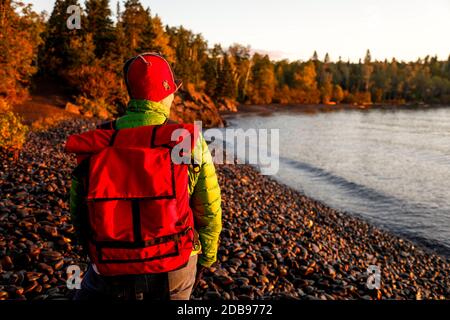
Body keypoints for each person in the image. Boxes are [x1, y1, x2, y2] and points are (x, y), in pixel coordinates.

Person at [67, 53, 222, 300]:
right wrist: (206, 258)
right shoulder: (187, 140)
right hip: (175, 264)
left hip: (110, 264)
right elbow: (209, 209)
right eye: (172, 91)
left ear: (131, 92)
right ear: (167, 93)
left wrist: (95, 252)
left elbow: (79, 212)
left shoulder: (97, 142)